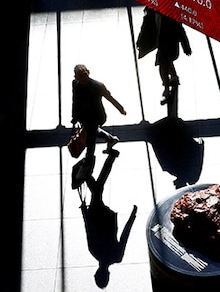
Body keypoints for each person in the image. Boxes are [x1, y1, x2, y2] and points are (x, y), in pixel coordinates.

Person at [78, 148, 137, 289]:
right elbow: (89, 230)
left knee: (98, 189)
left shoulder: (116, 257)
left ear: (108, 275)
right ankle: (87, 170)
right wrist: (84, 213)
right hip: (95, 215)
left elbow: (125, 235)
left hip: (106, 219)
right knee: (97, 189)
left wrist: (132, 216)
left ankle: (110, 158)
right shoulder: (93, 251)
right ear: (96, 273)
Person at [136, 8, 192, 105]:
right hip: (162, 44)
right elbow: (145, 28)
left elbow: (180, 31)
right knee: (166, 62)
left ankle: (166, 90)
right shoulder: (151, 14)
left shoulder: (170, 16)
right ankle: (173, 78)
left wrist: (186, 47)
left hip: (168, 45)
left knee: (163, 66)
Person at [71, 64, 126, 161]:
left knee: (90, 136)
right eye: (80, 77)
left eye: (84, 76)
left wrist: (120, 109)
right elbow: (75, 100)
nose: (83, 79)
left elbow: (110, 98)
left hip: (96, 116)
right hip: (85, 116)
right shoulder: (76, 84)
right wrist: (75, 116)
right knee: (91, 131)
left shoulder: (97, 86)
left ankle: (89, 158)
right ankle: (110, 139)